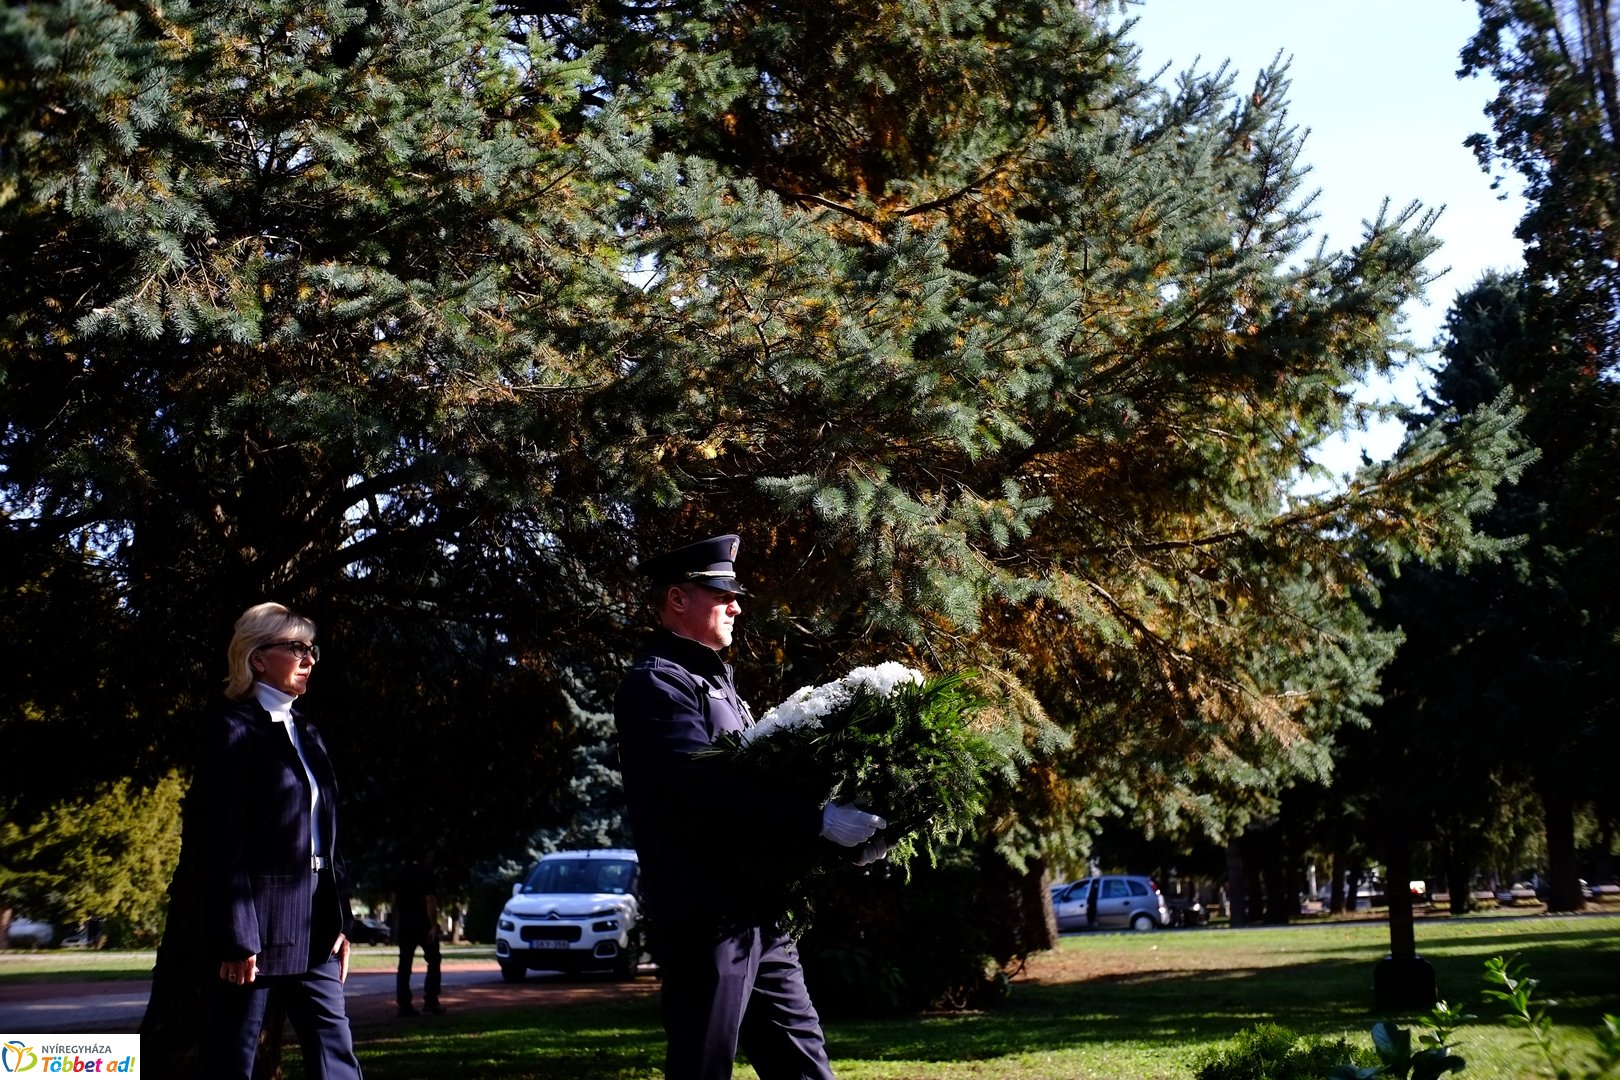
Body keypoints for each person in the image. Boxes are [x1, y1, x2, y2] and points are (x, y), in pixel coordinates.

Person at [614, 533, 886, 1080]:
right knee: (702, 1067)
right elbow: (707, 787)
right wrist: (817, 823)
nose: (736, 605)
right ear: (677, 599)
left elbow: (760, 787)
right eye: (722, 594)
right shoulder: (658, 684)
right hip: (705, 919)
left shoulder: (716, 680)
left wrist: (839, 834)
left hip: (758, 911)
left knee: (806, 1067)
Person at [179, 601, 364, 1080]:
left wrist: (341, 920)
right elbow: (221, 842)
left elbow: (328, 833)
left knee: (336, 1055)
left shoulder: (311, 733)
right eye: (296, 648)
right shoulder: (231, 729)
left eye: (311, 648)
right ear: (257, 658)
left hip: (317, 928)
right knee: (232, 1059)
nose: (309, 658)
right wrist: (238, 938)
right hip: (255, 936)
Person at [393, 852, 445, 1017]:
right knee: (434, 959)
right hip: (423, 922)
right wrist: (433, 925)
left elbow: (394, 898)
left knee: (405, 963)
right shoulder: (427, 874)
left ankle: (404, 1003)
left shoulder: (399, 873)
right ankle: (431, 1000)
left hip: (405, 922)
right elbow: (430, 900)